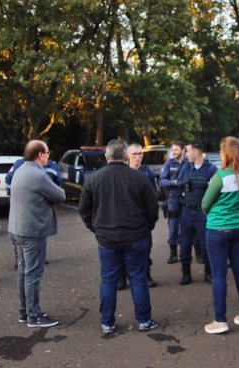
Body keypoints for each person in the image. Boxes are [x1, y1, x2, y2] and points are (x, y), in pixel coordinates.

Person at [78, 139, 159, 335]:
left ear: (106, 157)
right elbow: (152, 209)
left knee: (108, 280)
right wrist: (146, 227)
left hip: (108, 239)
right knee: (138, 278)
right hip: (135, 237)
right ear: (125, 157)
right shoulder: (139, 178)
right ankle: (144, 320)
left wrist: (95, 228)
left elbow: (84, 210)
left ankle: (107, 322)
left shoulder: (93, 179)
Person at [201, 137, 239, 334]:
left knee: (219, 274)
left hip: (218, 229)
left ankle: (220, 320)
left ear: (227, 154)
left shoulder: (220, 176)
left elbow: (205, 205)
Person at [7, 140, 66, 328]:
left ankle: (24, 312)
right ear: (40, 154)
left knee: (24, 273)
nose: (49, 156)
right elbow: (61, 195)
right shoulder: (38, 175)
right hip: (32, 231)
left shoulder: (20, 170)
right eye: (47, 152)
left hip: (17, 229)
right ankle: (34, 316)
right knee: (33, 274)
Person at [6, 156, 63, 270]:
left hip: (41, 209)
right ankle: (20, 258)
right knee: (21, 235)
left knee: (39, 234)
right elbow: (8, 180)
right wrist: (11, 195)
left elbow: (58, 184)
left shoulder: (52, 166)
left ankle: (38, 256)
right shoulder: (20, 164)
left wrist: (51, 195)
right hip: (23, 208)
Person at [175, 140, 217, 285]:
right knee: (185, 244)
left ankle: (208, 273)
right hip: (186, 211)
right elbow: (178, 183)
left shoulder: (211, 169)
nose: (186, 154)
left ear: (196, 151)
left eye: (188, 151)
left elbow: (217, 190)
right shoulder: (186, 167)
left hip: (203, 213)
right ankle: (186, 274)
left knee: (206, 244)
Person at [128, 143, 157, 288]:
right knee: (122, 248)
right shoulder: (123, 171)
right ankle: (122, 278)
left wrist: (150, 221)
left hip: (143, 219)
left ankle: (147, 275)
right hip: (126, 219)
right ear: (127, 155)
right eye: (135, 154)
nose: (138, 157)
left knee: (145, 249)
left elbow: (153, 197)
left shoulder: (148, 172)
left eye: (140, 154)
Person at [159, 141, 185, 264]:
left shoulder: (188, 163)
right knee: (173, 226)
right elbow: (162, 181)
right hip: (173, 199)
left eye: (176, 150)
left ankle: (194, 254)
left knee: (189, 226)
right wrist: (174, 183)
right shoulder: (169, 163)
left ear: (183, 150)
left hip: (187, 199)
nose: (173, 152)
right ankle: (173, 254)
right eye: (172, 150)